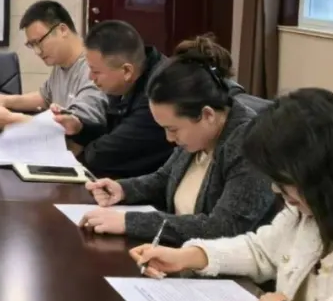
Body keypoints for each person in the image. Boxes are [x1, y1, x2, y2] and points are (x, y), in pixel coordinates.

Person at [132, 89, 333, 301]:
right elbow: (261, 250)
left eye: (284, 181)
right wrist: (190, 256)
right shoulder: (307, 214)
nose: (276, 190)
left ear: (321, 172)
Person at [78, 35, 276, 243]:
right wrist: (123, 190)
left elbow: (224, 228)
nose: (169, 138)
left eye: (173, 129)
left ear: (207, 115)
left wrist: (130, 222)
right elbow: (164, 178)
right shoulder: (198, 135)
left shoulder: (249, 145)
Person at [54, 20, 174, 179]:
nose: (90, 77)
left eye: (96, 71)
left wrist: (81, 147)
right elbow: (111, 131)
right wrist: (79, 127)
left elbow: (103, 155)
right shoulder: (129, 79)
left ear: (127, 71)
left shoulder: (159, 92)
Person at [0, 0, 106, 131]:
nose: (37, 51)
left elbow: (75, 125)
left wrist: (13, 120)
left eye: (39, 42)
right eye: (32, 45)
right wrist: (6, 100)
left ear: (62, 30)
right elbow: (45, 97)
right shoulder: (61, 62)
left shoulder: (93, 68)